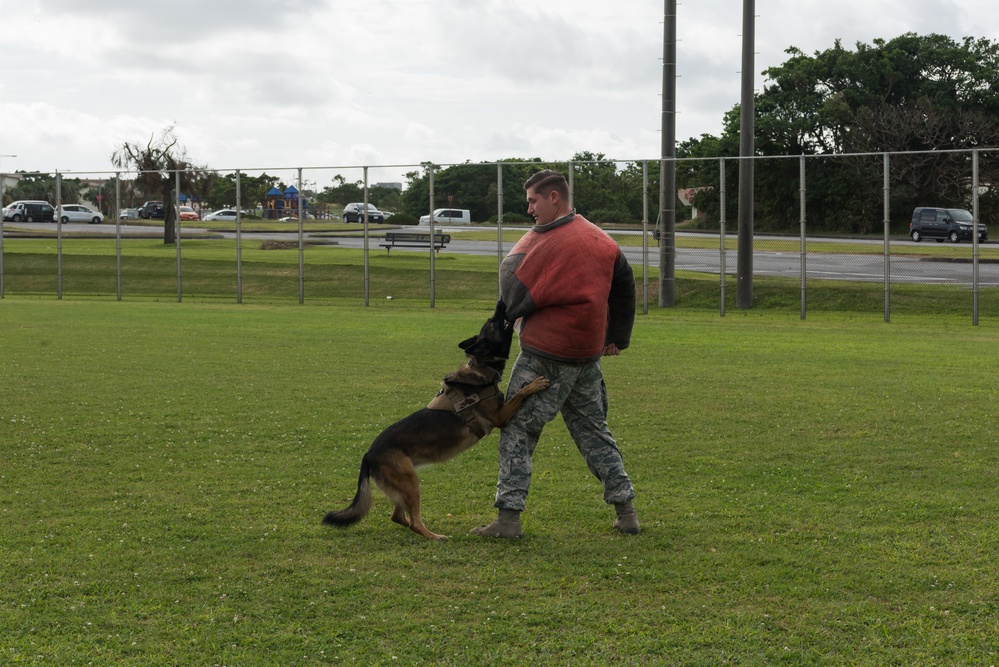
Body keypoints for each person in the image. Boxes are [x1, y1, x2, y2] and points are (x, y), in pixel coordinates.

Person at [472, 169, 639, 538]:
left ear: (553, 198)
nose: (528, 208)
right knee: (594, 431)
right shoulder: (601, 239)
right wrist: (617, 337)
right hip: (587, 356)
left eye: (533, 200)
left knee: (517, 428)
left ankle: (508, 520)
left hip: (544, 355)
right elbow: (625, 286)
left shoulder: (545, 243)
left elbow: (512, 287)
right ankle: (626, 511)